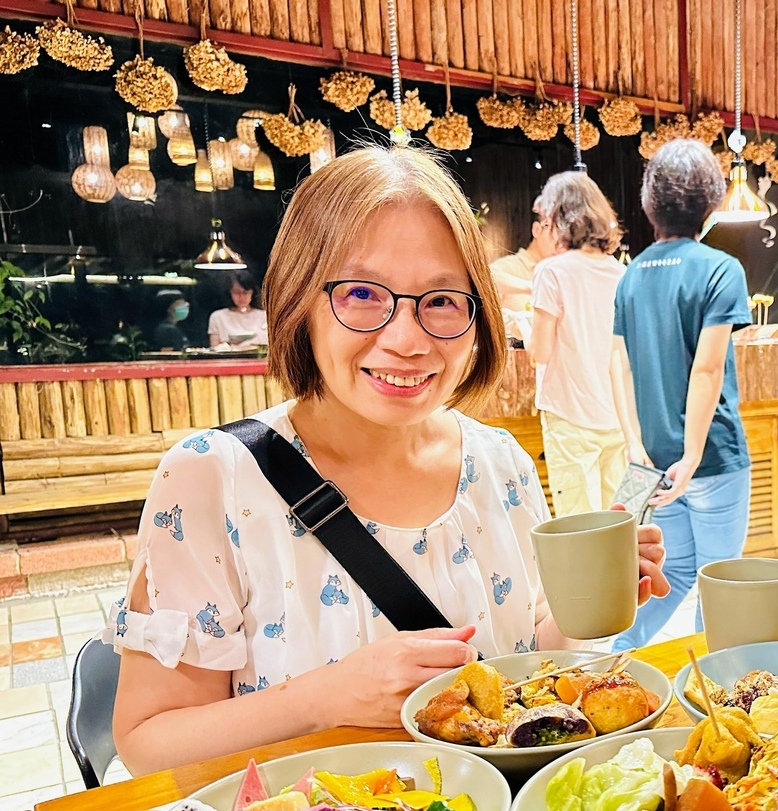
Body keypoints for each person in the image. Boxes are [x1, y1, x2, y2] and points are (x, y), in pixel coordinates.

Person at [104, 146, 668, 775]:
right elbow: (148, 742)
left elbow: (525, 654)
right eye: (363, 294)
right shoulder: (213, 479)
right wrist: (323, 699)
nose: (406, 339)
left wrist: (592, 601)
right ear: (299, 301)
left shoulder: (498, 462)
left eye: (443, 300)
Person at [610, 139, 753, 653]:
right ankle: (711, 693)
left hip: (651, 463)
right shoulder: (720, 269)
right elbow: (707, 367)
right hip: (710, 457)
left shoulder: (632, 274)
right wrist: (693, 455)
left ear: (651, 204)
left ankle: (615, 660)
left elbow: (619, 364)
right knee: (718, 582)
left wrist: (633, 444)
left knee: (674, 571)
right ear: (710, 202)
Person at [527, 172, 642, 517]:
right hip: (615, 419)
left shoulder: (552, 272)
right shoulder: (621, 273)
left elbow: (541, 351)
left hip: (570, 417)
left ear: (558, 217)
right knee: (618, 524)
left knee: (579, 526)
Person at [488, 200, 556, 347]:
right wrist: (531, 287)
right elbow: (485, 280)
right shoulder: (512, 266)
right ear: (537, 230)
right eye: (554, 232)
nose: (559, 242)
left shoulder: (557, 274)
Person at [207, 271, 268, 350]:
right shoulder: (217, 317)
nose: (241, 296)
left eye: (245, 292)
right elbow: (214, 349)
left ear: (252, 292)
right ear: (229, 293)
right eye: (236, 292)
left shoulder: (264, 316)